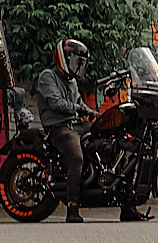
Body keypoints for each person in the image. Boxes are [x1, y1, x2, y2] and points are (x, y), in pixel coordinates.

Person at [31, 37, 136, 223]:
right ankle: (72, 207)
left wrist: (94, 114)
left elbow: (78, 102)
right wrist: (81, 109)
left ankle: (127, 205)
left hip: (77, 124)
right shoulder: (48, 76)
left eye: (80, 63)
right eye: (74, 62)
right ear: (63, 58)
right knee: (76, 158)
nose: (77, 66)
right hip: (59, 127)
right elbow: (56, 102)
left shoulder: (72, 81)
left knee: (115, 140)